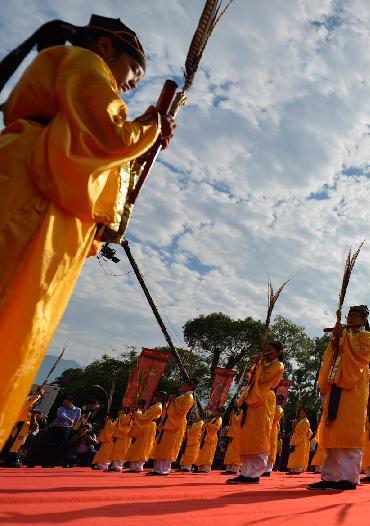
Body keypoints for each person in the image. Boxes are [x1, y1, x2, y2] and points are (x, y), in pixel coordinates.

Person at [0, 15, 176, 445]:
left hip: (41, 191)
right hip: (33, 193)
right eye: (134, 72)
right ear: (106, 48)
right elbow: (110, 135)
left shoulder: (78, 73)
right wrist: (150, 128)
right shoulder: (85, 64)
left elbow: (105, 143)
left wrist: (143, 137)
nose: (133, 83)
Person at [309, 306, 370, 491]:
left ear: (363, 319)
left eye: (355, 316)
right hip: (335, 385)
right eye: (350, 316)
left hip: (353, 387)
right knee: (332, 431)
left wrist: (344, 337)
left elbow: (361, 357)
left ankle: (348, 478)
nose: (351, 319)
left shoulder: (366, 337)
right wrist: (336, 339)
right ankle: (330, 476)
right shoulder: (344, 334)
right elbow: (330, 357)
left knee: (349, 432)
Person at [228, 342, 284, 484]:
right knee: (248, 435)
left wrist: (259, 363)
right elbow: (252, 378)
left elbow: (263, 379)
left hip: (263, 399)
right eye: (264, 350)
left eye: (270, 350)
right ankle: (246, 472)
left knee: (259, 435)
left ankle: (254, 474)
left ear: (278, 352)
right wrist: (258, 363)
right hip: (253, 397)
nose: (266, 352)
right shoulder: (264, 364)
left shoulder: (278, 366)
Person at [149, 379, 195, 476]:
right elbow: (169, 409)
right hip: (169, 422)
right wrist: (171, 401)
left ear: (190, 386)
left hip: (176, 424)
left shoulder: (189, 397)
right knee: (162, 446)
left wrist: (173, 402)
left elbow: (181, 412)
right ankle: (158, 469)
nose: (183, 387)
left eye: (185, 385)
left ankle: (164, 470)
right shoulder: (183, 396)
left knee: (169, 447)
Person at [125, 394, 163, 473]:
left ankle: (138, 466)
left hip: (149, 426)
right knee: (139, 445)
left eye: (155, 397)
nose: (153, 398)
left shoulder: (158, 407)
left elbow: (146, 418)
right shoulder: (154, 407)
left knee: (144, 446)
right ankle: (136, 466)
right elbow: (146, 416)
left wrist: (138, 415)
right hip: (146, 426)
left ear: (159, 398)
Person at [263, 393, 286, 477]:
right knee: (267, 447)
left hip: (272, 429)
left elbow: (272, 419)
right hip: (270, 429)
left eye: (277, 399)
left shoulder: (278, 409)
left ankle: (268, 469)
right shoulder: (274, 408)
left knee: (271, 448)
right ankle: (265, 468)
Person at [286, 408, 312, 475]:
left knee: (299, 456)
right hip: (296, 441)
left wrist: (295, 441)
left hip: (301, 442)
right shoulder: (300, 422)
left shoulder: (306, 422)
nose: (301, 414)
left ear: (306, 414)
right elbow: (295, 432)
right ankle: (293, 469)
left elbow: (302, 433)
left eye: (303, 412)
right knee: (294, 455)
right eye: (300, 412)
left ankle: (297, 470)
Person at [223, 408, 242, 474]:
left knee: (236, 453)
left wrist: (233, 415)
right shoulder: (235, 415)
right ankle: (229, 468)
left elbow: (237, 421)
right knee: (230, 452)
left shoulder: (242, 414)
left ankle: (235, 469)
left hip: (238, 436)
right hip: (232, 435)